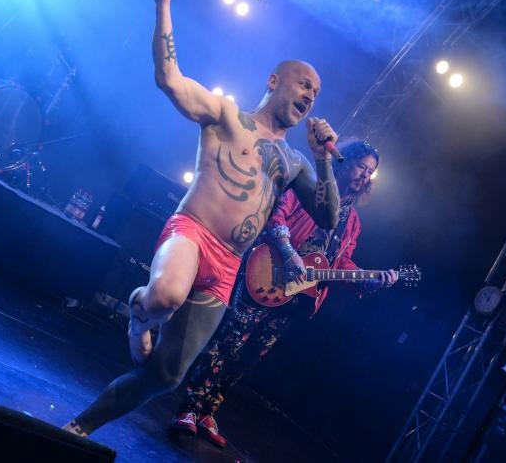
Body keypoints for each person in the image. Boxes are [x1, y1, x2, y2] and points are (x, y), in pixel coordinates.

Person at [62, 0, 341, 437]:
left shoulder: (296, 160)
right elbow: (169, 78)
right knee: (165, 295)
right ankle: (140, 312)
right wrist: (163, 4)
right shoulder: (226, 114)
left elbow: (329, 218)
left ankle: (79, 427)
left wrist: (323, 159)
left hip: (228, 267)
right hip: (192, 232)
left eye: (315, 94)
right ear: (274, 81)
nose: (310, 96)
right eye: (304, 84)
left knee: (167, 375)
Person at [169, 141, 399, 448]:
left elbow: (340, 263)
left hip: (295, 297)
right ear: (344, 162)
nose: (365, 175)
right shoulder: (310, 187)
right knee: (227, 343)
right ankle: (189, 407)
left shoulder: (352, 221)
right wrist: (289, 255)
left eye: (370, 172)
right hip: (267, 271)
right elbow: (277, 215)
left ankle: (208, 410)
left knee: (249, 356)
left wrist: (367, 281)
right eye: (361, 167)